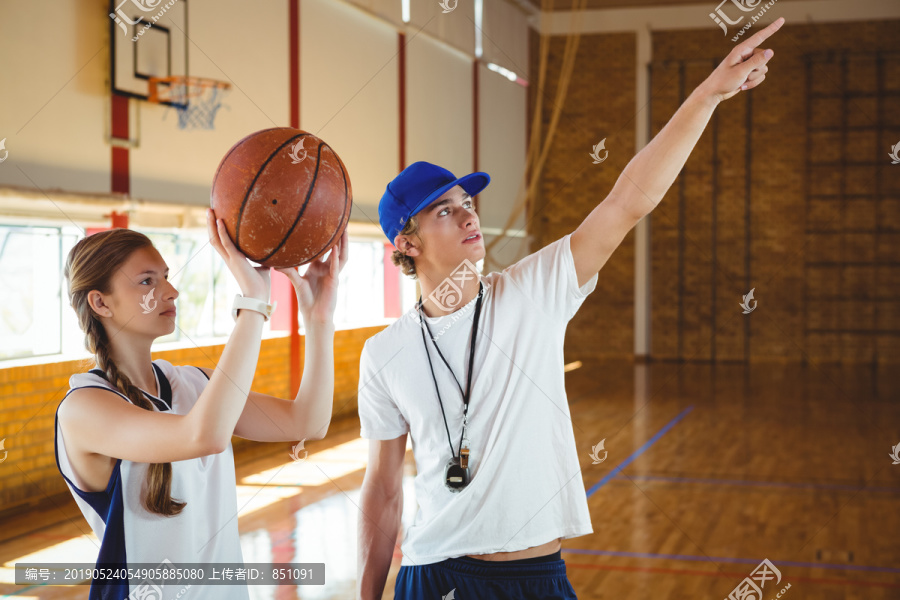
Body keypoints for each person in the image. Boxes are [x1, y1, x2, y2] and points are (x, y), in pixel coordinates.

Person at [356, 17, 783, 600]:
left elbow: (628, 200)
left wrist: (707, 94)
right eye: (444, 211)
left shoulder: (533, 290)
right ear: (405, 244)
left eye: (467, 202)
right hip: (434, 574)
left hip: (534, 575)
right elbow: (382, 491)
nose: (469, 215)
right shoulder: (384, 354)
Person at [55, 208, 347, 599]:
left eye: (166, 278)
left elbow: (307, 423)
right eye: (146, 281)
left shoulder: (191, 383)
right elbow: (203, 436)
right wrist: (252, 305)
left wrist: (318, 318)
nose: (170, 292)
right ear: (101, 303)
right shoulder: (84, 408)